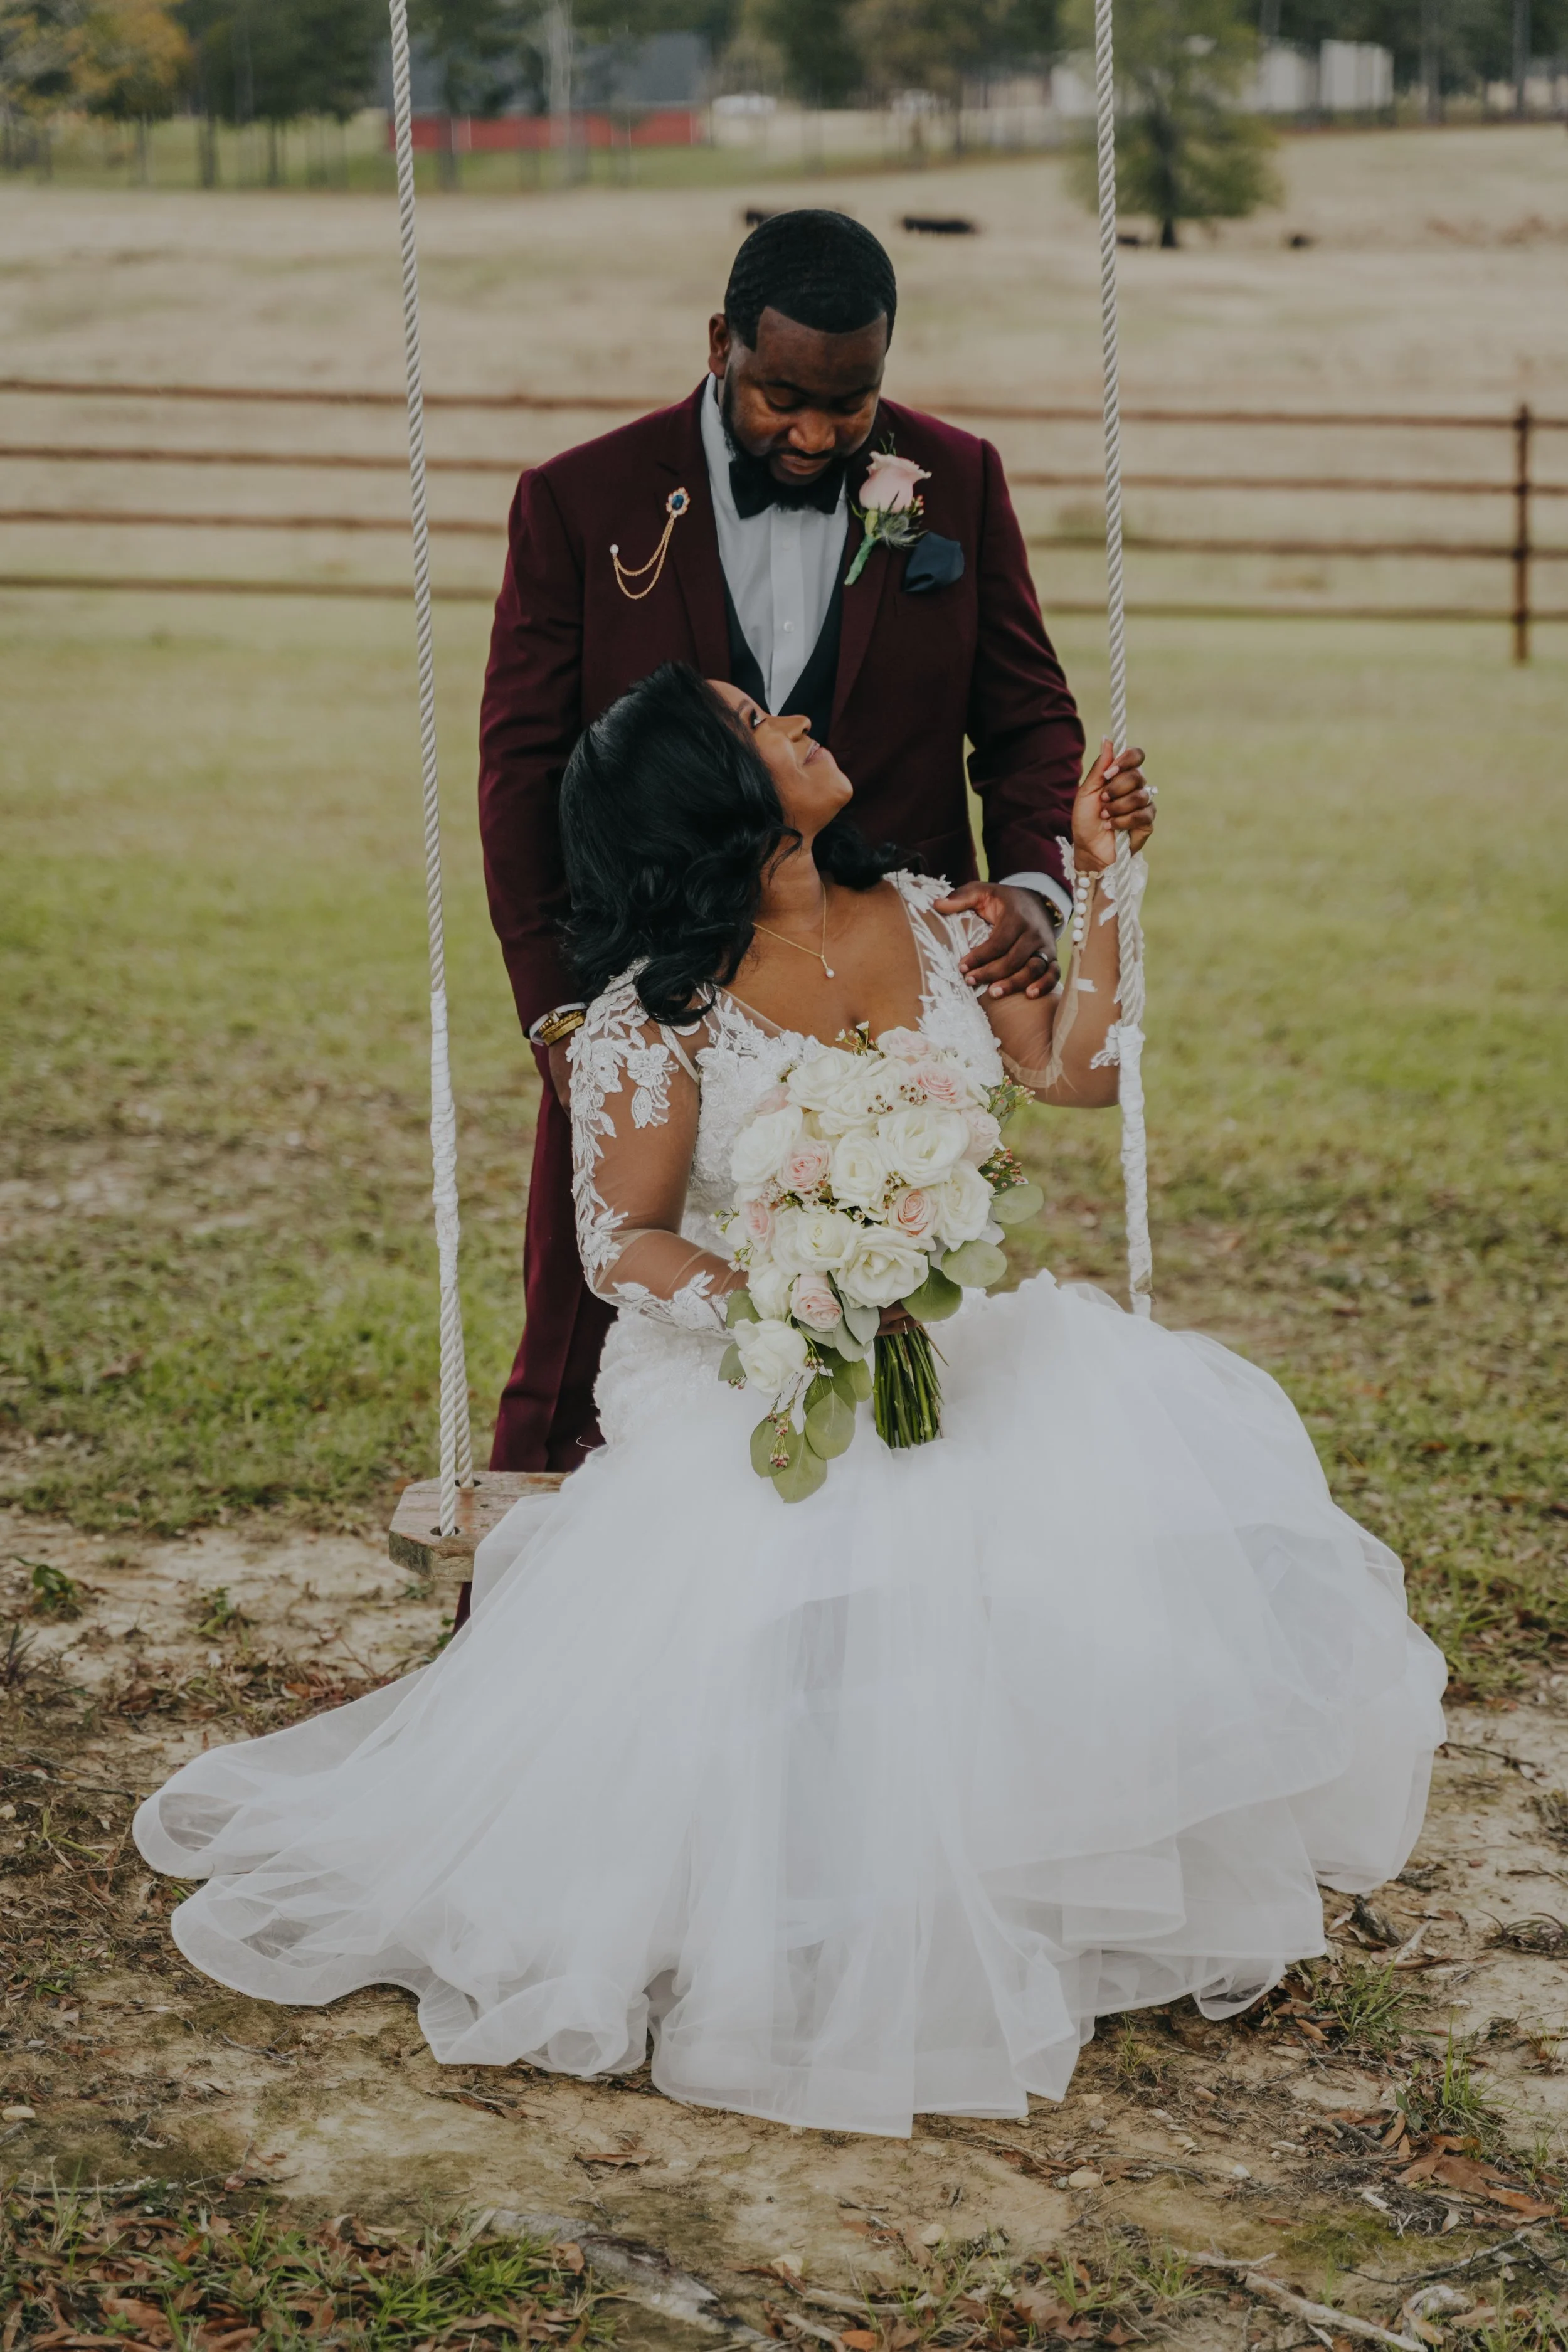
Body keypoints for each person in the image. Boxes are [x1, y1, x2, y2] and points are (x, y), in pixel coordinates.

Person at [135, 670, 1445, 2139]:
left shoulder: (941, 918)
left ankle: (1003, 1872)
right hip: (744, 1366)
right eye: (758, 722)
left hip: (940, 1337)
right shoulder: (655, 1020)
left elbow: (1073, 1074)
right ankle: (819, 1889)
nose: (803, 720)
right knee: (825, 1529)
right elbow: (620, 1245)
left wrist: (1097, 877)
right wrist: (789, 1301)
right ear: (714, 793)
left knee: (1087, 1452)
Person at [479, 208, 1148, 1473]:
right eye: (783, 396)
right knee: (587, 1301)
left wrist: (1033, 895)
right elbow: (521, 772)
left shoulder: (956, 477)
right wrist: (561, 1011)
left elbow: (1026, 720)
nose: (816, 435)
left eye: (850, 405)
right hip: (669, 965)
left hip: (893, 966)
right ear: (720, 343)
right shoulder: (580, 499)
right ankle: (530, 1582)